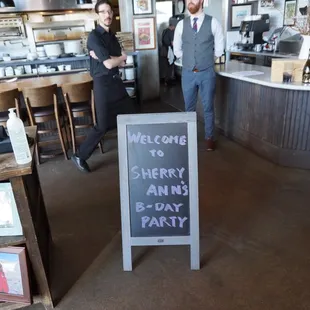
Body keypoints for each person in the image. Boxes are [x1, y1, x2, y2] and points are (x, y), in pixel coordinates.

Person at [71, 0, 133, 173]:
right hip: (103, 86)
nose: (108, 15)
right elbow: (109, 64)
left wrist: (114, 59)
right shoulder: (94, 37)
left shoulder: (112, 36)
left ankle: (134, 151)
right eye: (103, 12)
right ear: (98, 15)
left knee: (131, 116)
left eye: (109, 11)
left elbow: (119, 63)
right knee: (103, 125)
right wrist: (116, 58)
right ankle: (80, 155)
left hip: (116, 83)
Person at [173, 0, 224, 151]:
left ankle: (209, 137)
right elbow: (177, 48)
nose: (190, 2)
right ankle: (189, 138)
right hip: (188, 73)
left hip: (207, 73)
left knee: (208, 107)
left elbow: (219, 48)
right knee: (189, 108)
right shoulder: (181, 24)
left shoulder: (213, 22)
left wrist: (206, 59)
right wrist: (188, 59)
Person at [160, 17, 178, 86]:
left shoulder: (165, 30)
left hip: (164, 51)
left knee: (167, 66)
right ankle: (168, 81)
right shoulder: (171, 32)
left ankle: (166, 80)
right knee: (169, 66)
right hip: (168, 51)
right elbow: (172, 43)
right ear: (173, 25)